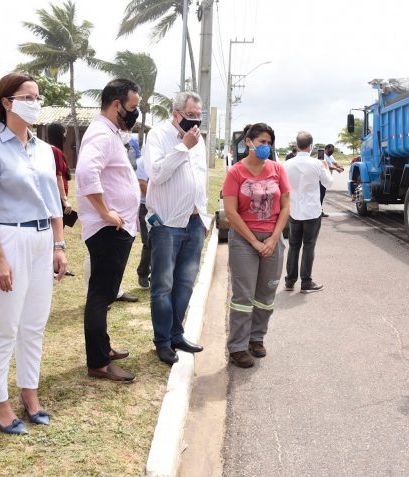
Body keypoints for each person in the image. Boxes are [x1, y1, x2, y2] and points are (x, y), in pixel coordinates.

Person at [0, 72, 66, 434]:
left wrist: (59, 245)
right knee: (2, 327)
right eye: (28, 96)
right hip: (7, 239)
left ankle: (30, 392)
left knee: (33, 324)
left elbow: (54, 203)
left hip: (42, 240)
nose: (35, 102)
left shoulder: (43, 151)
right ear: (7, 103)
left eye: (38, 96)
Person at [76, 78, 141, 382]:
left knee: (105, 293)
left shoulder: (110, 132)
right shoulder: (101, 134)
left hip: (115, 227)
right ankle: (99, 362)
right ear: (117, 105)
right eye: (133, 107)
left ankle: (104, 348)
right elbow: (87, 173)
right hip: (107, 229)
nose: (135, 113)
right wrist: (106, 212)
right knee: (101, 296)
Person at [142, 91, 210, 365]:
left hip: (194, 223)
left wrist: (203, 217)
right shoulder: (157, 135)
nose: (195, 121)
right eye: (190, 115)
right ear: (176, 113)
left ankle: (176, 333)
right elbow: (156, 174)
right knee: (163, 285)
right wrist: (183, 146)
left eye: (198, 116)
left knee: (185, 283)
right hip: (167, 222)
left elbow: (201, 178)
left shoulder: (199, 138)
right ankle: (162, 341)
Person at [221, 123, 290, 368]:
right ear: (248, 142)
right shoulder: (236, 173)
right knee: (243, 296)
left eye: (269, 142)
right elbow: (230, 211)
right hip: (243, 240)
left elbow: (285, 207)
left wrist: (273, 239)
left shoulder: (277, 170)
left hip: (272, 238)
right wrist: (253, 241)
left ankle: (256, 338)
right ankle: (238, 346)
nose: (266, 147)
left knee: (266, 294)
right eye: (261, 142)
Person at [284, 131, 332, 293]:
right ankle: (306, 282)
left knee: (293, 246)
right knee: (309, 246)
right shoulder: (317, 164)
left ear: (297, 145)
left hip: (294, 210)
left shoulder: (287, 164)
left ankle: (289, 282)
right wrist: (326, 168)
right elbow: (328, 183)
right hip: (312, 211)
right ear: (311, 146)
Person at [48, 122, 73, 215]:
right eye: (64, 133)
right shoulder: (55, 151)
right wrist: (64, 200)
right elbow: (58, 176)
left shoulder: (52, 150)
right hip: (57, 198)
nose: (65, 136)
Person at [135, 148, 152, 289]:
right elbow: (142, 184)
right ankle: (143, 273)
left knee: (160, 240)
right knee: (148, 242)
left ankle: (156, 273)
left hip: (161, 208)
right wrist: (156, 198)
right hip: (146, 207)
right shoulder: (142, 162)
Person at [319, 143, 344, 217]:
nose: (331, 152)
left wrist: (340, 167)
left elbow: (335, 163)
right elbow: (325, 166)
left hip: (326, 178)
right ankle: (319, 212)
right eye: (330, 150)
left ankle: (319, 211)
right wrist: (336, 169)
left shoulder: (330, 156)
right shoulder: (322, 155)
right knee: (320, 195)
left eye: (332, 151)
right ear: (326, 149)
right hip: (320, 179)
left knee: (322, 195)